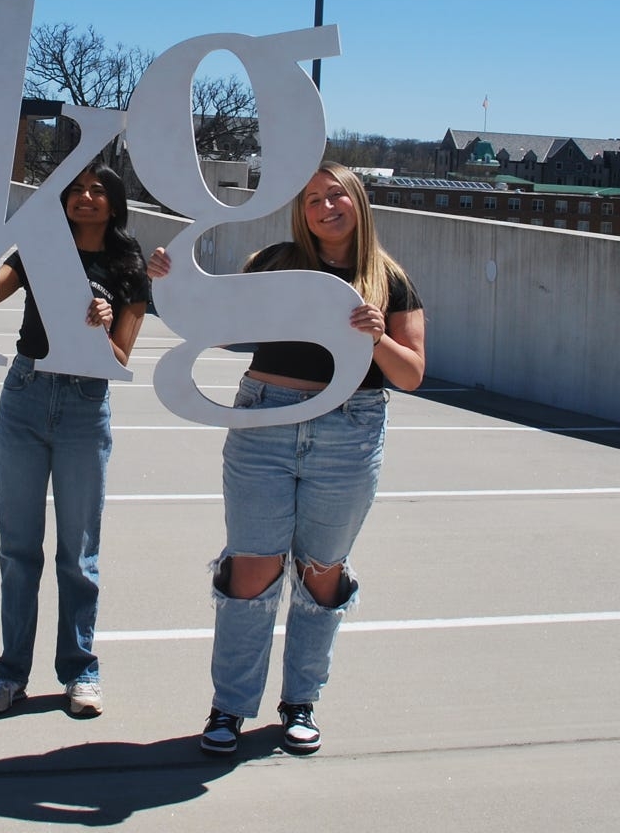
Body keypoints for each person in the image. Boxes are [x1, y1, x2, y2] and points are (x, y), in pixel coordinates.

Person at [149, 161, 425, 757]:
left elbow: (413, 375)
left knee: (323, 570)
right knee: (252, 567)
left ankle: (300, 702)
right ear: (299, 213)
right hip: (264, 422)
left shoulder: (388, 279)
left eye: (336, 196)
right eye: (311, 200)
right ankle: (229, 707)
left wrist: (378, 334)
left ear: (358, 201)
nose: (325, 208)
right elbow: (218, 322)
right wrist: (168, 281)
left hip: (349, 431)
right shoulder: (276, 262)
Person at [0, 164, 149, 718]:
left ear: (115, 202)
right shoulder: (38, 249)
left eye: (98, 190)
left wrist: (101, 326)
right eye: (76, 189)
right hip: (26, 395)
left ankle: (80, 671)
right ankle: (10, 674)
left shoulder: (128, 266)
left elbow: (122, 359)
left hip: (85, 404)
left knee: (79, 554)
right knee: (18, 550)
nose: (85, 197)